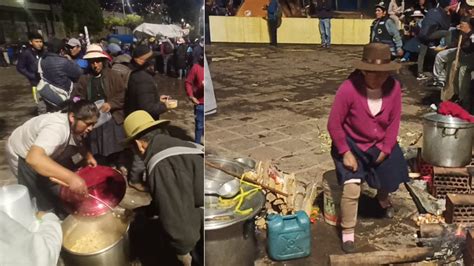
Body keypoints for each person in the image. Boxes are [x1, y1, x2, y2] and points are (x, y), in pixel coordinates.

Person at [327, 43, 409, 253]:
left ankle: (382, 199)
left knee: (392, 173)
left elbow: (394, 122)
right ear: (363, 70)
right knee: (352, 187)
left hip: (380, 141)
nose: (379, 78)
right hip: (352, 143)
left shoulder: (394, 87)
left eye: (384, 74)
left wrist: (387, 147)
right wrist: (345, 152)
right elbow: (334, 124)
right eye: (373, 73)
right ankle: (347, 232)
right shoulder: (349, 88)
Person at [123, 110, 203, 266]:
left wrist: (182, 251)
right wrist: (146, 210)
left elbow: (179, 222)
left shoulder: (161, 166)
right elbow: (174, 192)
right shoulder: (177, 144)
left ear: (139, 144)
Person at [5, 100, 99, 215]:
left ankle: (57, 207)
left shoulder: (74, 125)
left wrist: (88, 156)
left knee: (54, 175)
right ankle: (45, 217)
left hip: (40, 151)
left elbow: (78, 139)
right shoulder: (56, 129)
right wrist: (72, 178)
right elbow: (34, 159)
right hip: (24, 153)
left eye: (93, 124)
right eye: (88, 124)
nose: (91, 128)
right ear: (72, 117)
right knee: (39, 197)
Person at [72, 44, 127, 172]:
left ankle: (117, 162)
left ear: (103, 61)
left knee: (115, 142)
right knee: (97, 144)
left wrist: (111, 104)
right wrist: (79, 103)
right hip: (93, 117)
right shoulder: (84, 78)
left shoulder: (114, 76)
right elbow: (77, 96)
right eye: (92, 62)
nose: (95, 65)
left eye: (97, 62)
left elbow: (123, 94)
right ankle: (101, 163)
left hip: (111, 116)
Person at [124, 44, 171, 191]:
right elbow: (147, 108)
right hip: (142, 122)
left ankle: (128, 169)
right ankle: (135, 179)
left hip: (136, 117)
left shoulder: (137, 75)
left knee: (137, 150)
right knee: (141, 152)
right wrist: (165, 106)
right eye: (150, 60)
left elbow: (144, 99)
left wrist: (158, 98)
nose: (154, 63)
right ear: (143, 62)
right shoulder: (143, 79)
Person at [37, 38, 82, 112]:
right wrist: (70, 60)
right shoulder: (63, 62)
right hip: (62, 96)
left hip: (48, 94)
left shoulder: (41, 60)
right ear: (61, 50)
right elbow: (78, 73)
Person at [416, 0, 452, 80]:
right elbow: (446, 27)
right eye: (449, 6)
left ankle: (419, 73)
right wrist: (448, 16)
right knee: (448, 33)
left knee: (422, 54)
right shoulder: (441, 13)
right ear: (446, 6)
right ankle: (447, 48)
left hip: (422, 33)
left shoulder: (431, 10)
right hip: (429, 34)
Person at [16, 32, 44, 106]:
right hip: (35, 84)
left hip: (46, 81)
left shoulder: (44, 52)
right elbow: (20, 67)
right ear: (30, 42)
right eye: (36, 42)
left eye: (41, 41)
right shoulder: (26, 53)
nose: (39, 44)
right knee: (40, 104)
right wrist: (32, 76)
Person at [185, 49, 204, 144]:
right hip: (200, 103)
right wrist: (191, 96)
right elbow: (188, 82)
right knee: (199, 126)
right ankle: (197, 146)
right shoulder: (196, 67)